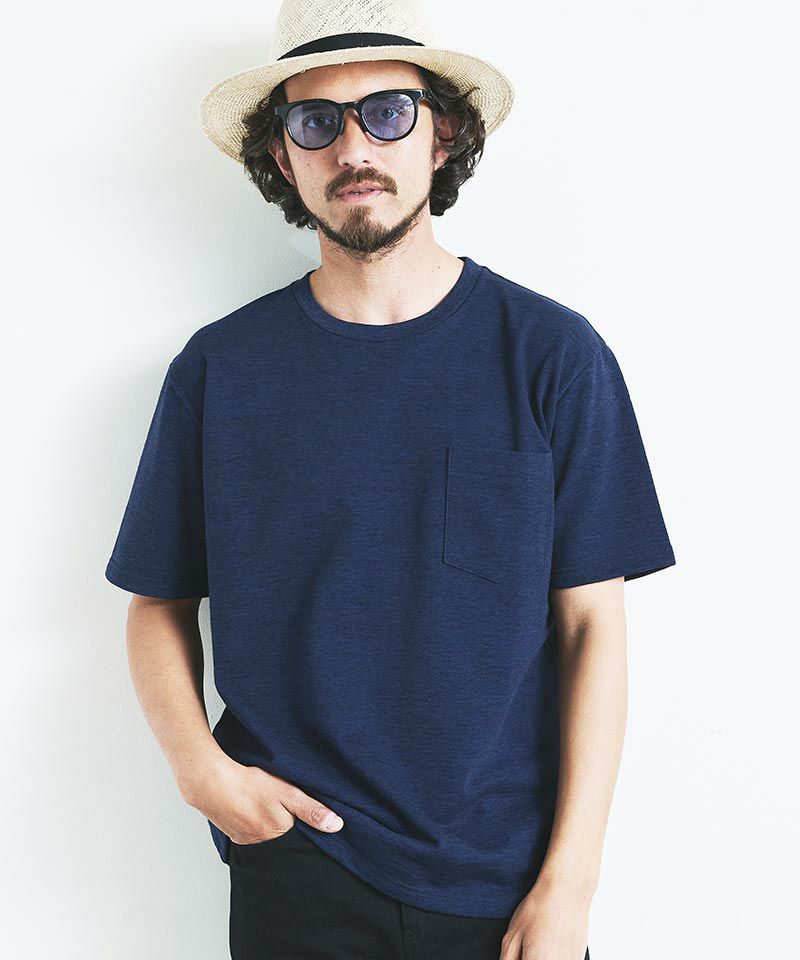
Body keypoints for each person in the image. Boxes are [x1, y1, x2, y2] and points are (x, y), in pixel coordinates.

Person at [105, 1, 676, 957]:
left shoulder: (551, 355)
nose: (353, 147)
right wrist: (200, 772)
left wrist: (571, 884)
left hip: (510, 878)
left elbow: (594, 627)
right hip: (298, 862)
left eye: (387, 113)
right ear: (283, 156)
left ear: (441, 133)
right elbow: (155, 602)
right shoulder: (221, 370)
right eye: (315, 121)